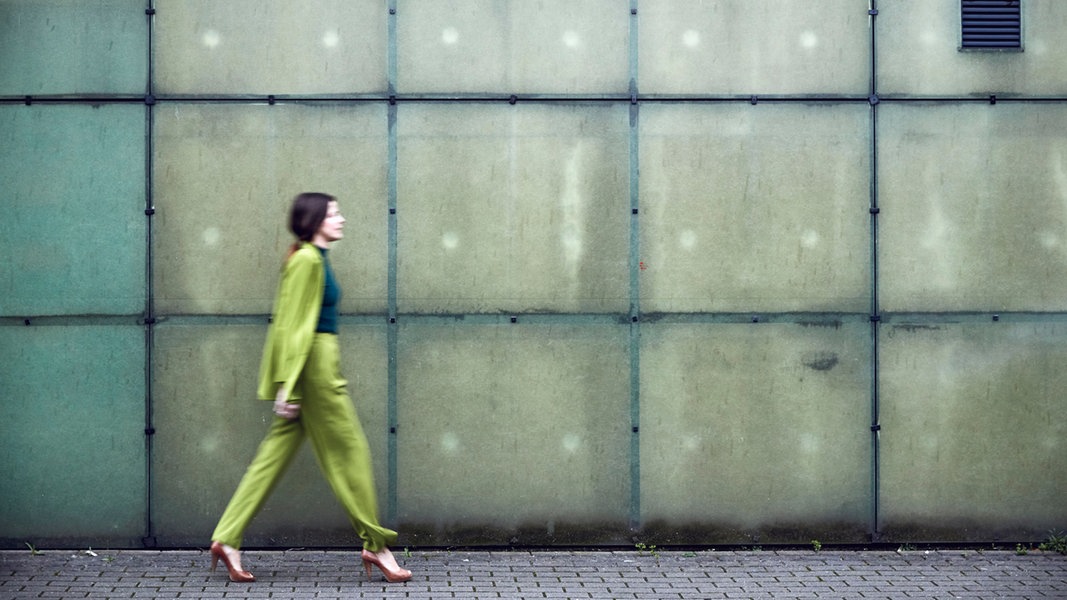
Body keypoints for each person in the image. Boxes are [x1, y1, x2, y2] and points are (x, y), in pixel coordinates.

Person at [208, 192, 411, 584]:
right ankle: (376, 545)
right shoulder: (306, 261)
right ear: (316, 220)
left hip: (313, 365)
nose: (342, 219)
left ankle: (227, 537)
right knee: (350, 453)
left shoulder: (313, 257)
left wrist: (290, 384)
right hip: (315, 369)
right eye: (335, 213)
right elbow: (292, 325)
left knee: (273, 456)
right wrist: (290, 386)